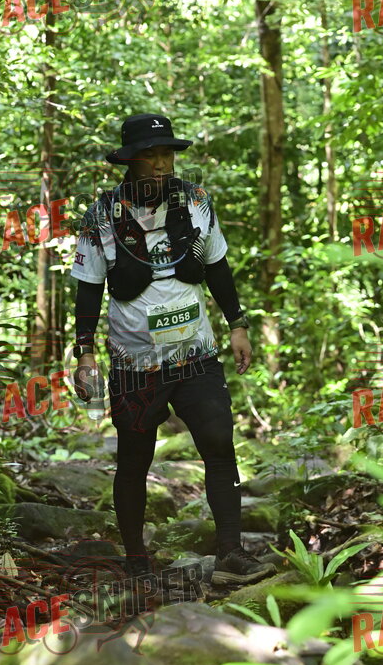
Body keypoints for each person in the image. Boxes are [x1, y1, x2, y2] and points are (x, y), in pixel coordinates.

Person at [70, 113, 275, 586]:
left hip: (196, 355)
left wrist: (238, 325)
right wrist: (85, 355)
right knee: (134, 460)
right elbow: (88, 289)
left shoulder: (197, 202)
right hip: (134, 363)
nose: (162, 164)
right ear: (130, 160)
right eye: (151, 155)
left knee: (219, 445)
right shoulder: (101, 216)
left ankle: (230, 553)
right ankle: (137, 561)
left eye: (168, 154)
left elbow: (218, 266)